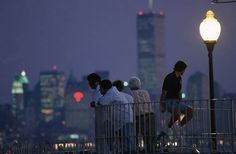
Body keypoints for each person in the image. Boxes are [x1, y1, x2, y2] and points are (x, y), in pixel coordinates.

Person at [99, 80, 134, 153]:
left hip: (124, 120)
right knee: (124, 141)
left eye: (100, 88)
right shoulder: (114, 92)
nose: (99, 90)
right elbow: (131, 99)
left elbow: (102, 101)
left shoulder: (111, 94)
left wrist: (96, 101)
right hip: (123, 120)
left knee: (126, 141)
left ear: (104, 88)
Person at [159, 60, 193, 128]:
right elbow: (164, 92)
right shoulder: (169, 77)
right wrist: (162, 105)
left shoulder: (179, 78)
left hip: (177, 102)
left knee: (190, 111)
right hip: (169, 102)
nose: (184, 71)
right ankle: (170, 125)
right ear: (181, 69)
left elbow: (179, 91)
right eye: (184, 70)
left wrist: (180, 98)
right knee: (177, 113)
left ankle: (180, 125)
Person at [128, 76, 155, 153]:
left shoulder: (130, 94)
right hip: (150, 115)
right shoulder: (145, 92)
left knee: (135, 135)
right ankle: (150, 151)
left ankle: (136, 150)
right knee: (149, 136)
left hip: (138, 117)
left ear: (130, 85)